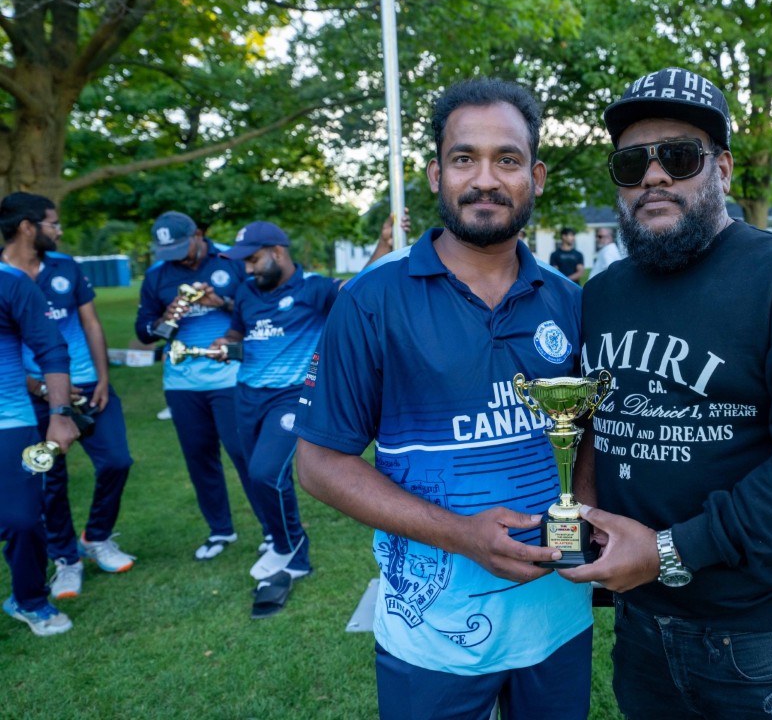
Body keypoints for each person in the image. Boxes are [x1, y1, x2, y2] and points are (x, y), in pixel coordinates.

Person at [559, 66, 772, 720]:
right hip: (640, 620)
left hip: (757, 634)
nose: (653, 176)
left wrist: (670, 552)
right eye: (631, 164)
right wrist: (584, 511)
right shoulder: (602, 293)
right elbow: (594, 418)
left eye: (678, 157)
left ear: (723, 169)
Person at [294, 78, 592, 720]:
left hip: (559, 618)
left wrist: (585, 517)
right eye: (464, 158)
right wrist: (461, 535)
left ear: (535, 177)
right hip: (430, 632)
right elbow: (318, 465)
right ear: (436, 174)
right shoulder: (371, 299)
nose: (485, 179)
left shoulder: (570, 302)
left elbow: (588, 435)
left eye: (507, 159)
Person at [0, 193, 136, 599]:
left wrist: (103, 378)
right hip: (31, 397)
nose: (59, 231)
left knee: (117, 461)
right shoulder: (5, 278)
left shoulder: (66, 266)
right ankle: (65, 559)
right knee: (49, 481)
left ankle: (96, 536)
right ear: (27, 227)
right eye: (53, 224)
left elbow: (91, 323)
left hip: (87, 386)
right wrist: (38, 387)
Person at [208, 221, 340, 618]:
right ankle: (279, 540)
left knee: (267, 473)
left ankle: (293, 551)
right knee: (254, 474)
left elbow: (363, 289)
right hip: (247, 394)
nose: (247, 269)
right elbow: (238, 332)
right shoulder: (247, 291)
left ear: (277, 252)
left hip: (292, 395)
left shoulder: (315, 288)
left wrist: (385, 245)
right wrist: (225, 343)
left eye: (252, 259)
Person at [135, 211, 268, 560]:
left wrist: (221, 303)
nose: (178, 258)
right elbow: (144, 331)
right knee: (199, 456)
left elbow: (261, 309)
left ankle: (272, 531)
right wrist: (167, 318)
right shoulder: (157, 274)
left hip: (231, 376)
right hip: (181, 381)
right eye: (169, 252)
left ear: (197, 234)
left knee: (243, 453)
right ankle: (220, 530)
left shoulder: (231, 260)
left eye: (182, 248)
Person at [0, 258, 80, 635]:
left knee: (23, 519)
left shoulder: (11, 284)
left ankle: (29, 600)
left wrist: (60, 414)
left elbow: (50, 347)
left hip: (9, 418)